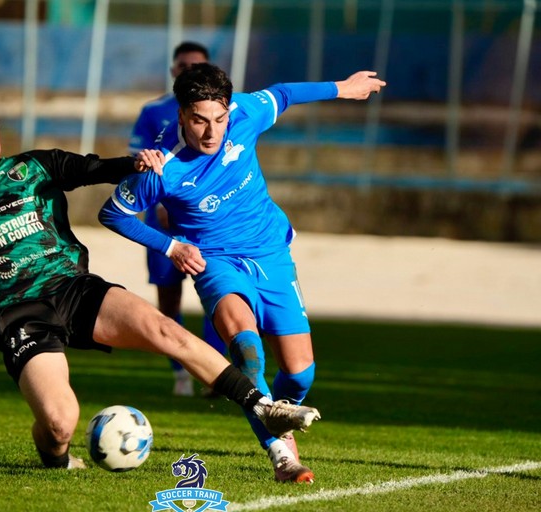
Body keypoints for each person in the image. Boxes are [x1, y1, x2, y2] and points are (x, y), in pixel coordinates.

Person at [0, 78, 321, 471]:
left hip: (76, 290)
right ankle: (57, 460)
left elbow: (97, 168)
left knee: (171, 332)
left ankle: (262, 405)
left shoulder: (36, 167)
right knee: (59, 424)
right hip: (20, 314)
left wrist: (140, 162)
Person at [100, 63, 386, 482]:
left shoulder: (245, 113)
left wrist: (343, 88)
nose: (212, 132)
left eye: (219, 119)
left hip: (271, 252)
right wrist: (172, 246)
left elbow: (284, 91)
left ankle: (278, 419)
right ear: (181, 115)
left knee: (301, 372)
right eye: (199, 121)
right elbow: (113, 213)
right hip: (215, 262)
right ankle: (281, 455)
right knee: (248, 349)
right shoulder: (163, 165)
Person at [129, 41, 225, 397]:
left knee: (217, 298)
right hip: (162, 226)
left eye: (195, 66)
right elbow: (139, 163)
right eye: (182, 66)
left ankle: (215, 374)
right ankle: (182, 372)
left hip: (203, 225)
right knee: (168, 303)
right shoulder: (153, 111)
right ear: (173, 71)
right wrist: (161, 202)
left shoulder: (219, 112)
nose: (188, 71)